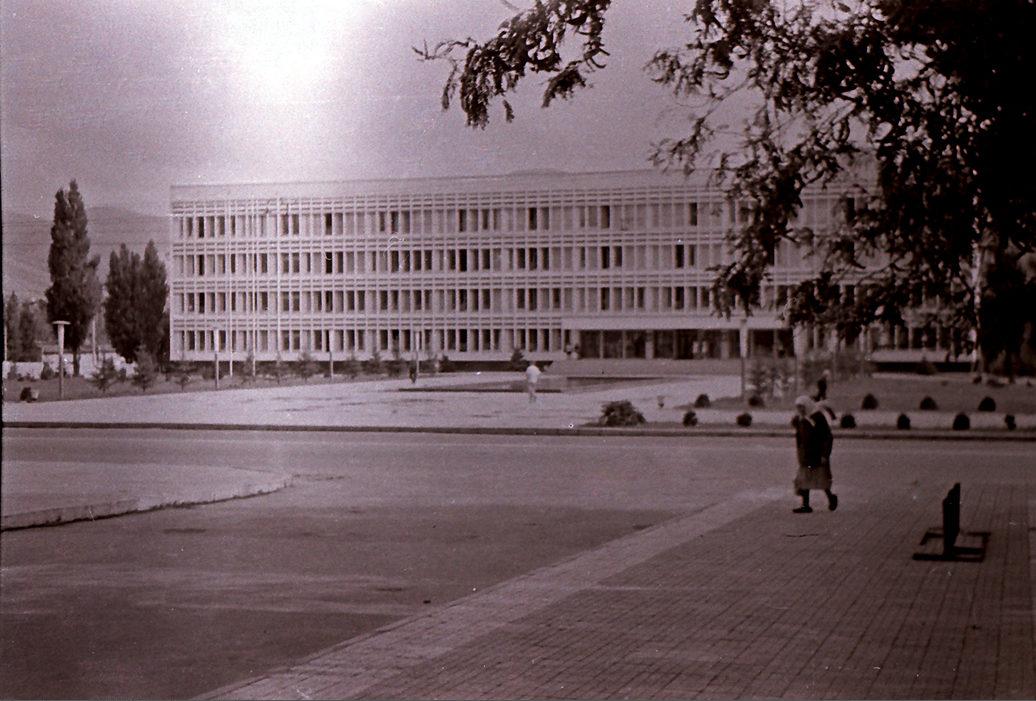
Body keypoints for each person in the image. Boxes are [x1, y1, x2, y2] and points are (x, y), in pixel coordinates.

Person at [791, 395, 837, 513]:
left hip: (817, 454)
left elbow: (827, 437)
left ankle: (831, 498)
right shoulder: (800, 419)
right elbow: (799, 437)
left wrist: (825, 455)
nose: (800, 409)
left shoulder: (817, 417)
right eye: (798, 407)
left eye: (802, 407)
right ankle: (805, 505)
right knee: (803, 480)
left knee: (821, 480)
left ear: (807, 405)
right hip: (806, 455)